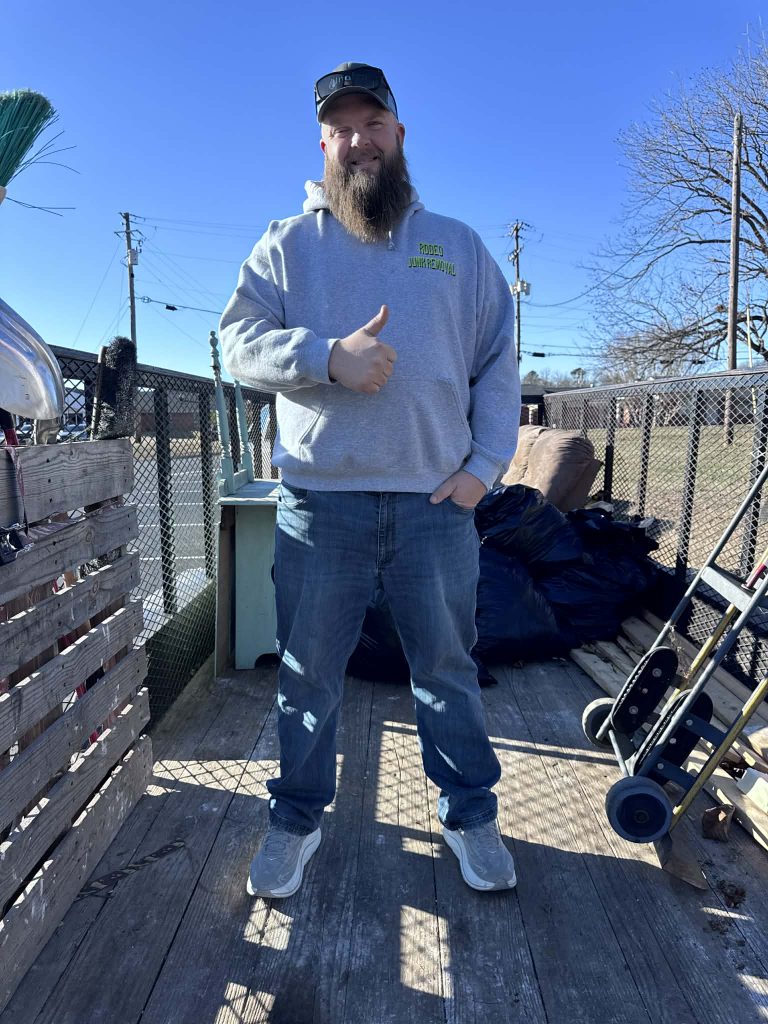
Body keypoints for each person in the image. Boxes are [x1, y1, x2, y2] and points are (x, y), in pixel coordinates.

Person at [220, 62, 521, 898]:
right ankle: (296, 819)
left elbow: (499, 361)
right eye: (341, 128)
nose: (358, 141)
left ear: (400, 133)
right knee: (308, 674)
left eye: (372, 123)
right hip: (321, 510)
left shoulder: (457, 246)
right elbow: (236, 346)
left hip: (435, 508)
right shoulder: (285, 246)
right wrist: (324, 358)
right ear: (323, 144)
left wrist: (484, 470)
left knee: (447, 672)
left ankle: (471, 814)